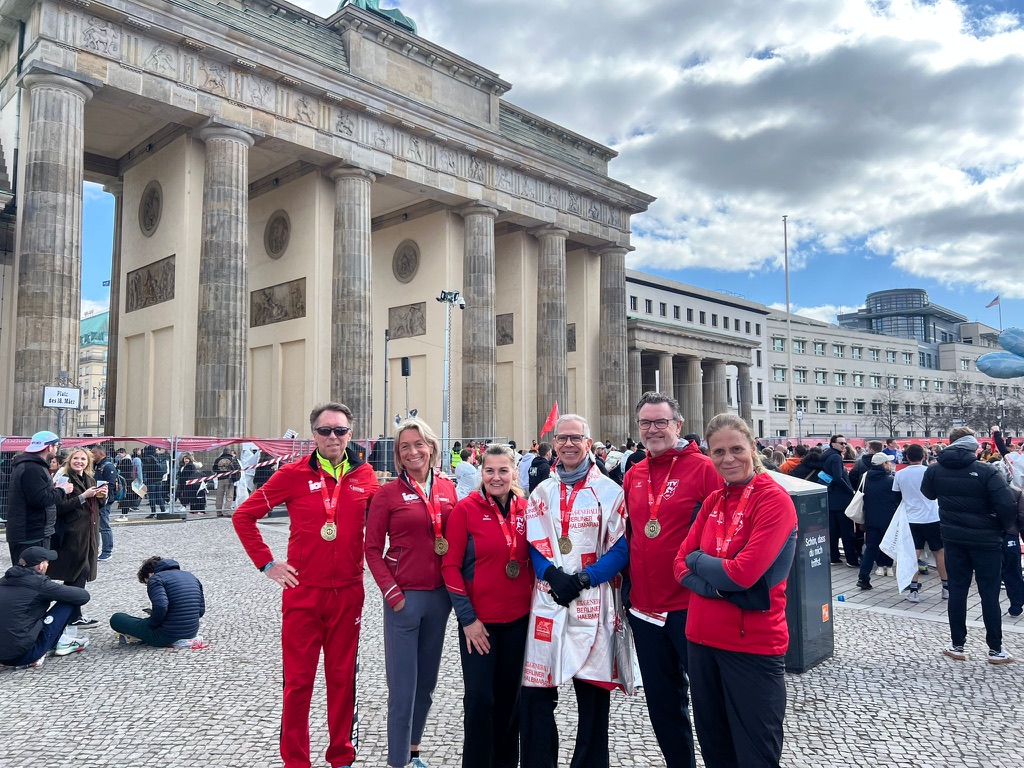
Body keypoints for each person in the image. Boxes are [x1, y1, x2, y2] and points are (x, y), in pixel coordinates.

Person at [234, 402, 380, 768]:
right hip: (303, 594)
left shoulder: (366, 477)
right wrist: (267, 563)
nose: (334, 437)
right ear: (313, 434)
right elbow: (244, 516)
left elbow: (391, 525)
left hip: (348, 593)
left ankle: (341, 757)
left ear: (351, 434)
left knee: (343, 681)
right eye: (325, 430)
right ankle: (295, 762)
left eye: (341, 430)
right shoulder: (293, 474)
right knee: (298, 684)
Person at [674, 414, 798, 768]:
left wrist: (702, 563)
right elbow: (679, 563)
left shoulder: (774, 500)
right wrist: (719, 585)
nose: (728, 459)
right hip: (701, 640)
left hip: (751, 645)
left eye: (736, 449)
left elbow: (743, 574)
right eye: (719, 452)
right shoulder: (714, 498)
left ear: (753, 447)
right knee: (716, 750)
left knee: (755, 753)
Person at [520, 413, 634, 768]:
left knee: (593, 702)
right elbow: (533, 542)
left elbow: (621, 547)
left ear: (589, 442)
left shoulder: (610, 491)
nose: (568, 444)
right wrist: (552, 575)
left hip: (593, 600)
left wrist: (586, 578)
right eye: (562, 438)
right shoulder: (542, 490)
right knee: (537, 696)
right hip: (550, 599)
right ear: (554, 444)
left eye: (575, 438)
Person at [623, 391, 724, 768]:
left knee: (708, 701)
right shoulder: (634, 473)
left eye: (660, 422)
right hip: (646, 611)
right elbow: (632, 534)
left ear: (677, 425)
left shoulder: (703, 469)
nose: (653, 429)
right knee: (663, 705)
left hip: (689, 605)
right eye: (646, 423)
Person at [366, 418, 457, 768]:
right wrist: (392, 593)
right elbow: (371, 548)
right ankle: (397, 762)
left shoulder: (448, 488)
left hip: (440, 599)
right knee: (403, 689)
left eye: (419, 444)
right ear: (398, 456)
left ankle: (414, 751)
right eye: (405, 447)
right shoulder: (387, 494)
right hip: (404, 598)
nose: (413, 451)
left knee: (427, 685)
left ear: (431, 447)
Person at [442, 444, 532, 768]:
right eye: (490, 470)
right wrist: (468, 619)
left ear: (513, 473)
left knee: (510, 703)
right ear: (481, 472)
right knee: (480, 701)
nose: (496, 477)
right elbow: (449, 567)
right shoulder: (465, 510)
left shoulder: (527, 508)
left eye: (503, 470)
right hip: (478, 626)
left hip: (519, 624)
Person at [921, 427, 1016, 664]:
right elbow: (1006, 505)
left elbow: (928, 494)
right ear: (972, 446)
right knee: (989, 593)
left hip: (953, 539)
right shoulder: (986, 471)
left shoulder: (934, 470)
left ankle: (957, 644)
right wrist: (1002, 528)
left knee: (958, 590)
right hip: (986, 540)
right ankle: (995, 649)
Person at [0, 546, 92, 666]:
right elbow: (83, 596)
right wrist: (55, 592)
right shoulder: (41, 585)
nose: (48, 565)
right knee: (68, 601)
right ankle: (54, 644)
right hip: (23, 655)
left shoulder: (3, 581)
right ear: (41, 566)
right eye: (47, 562)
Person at [50, 448, 106, 628]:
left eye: (83, 459)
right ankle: (71, 614)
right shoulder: (64, 478)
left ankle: (70, 614)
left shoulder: (90, 479)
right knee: (79, 571)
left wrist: (102, 497)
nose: (79, 461)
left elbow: (97, 505)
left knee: (77, 574)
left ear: (88, 462)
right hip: (72, 533)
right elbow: (58, 507)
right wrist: (83, 496)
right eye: (76, 458)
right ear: (69, 460)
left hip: (89, 533)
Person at [6, 431, 74, 565]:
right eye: (56, 446)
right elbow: (40, 499)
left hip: (28, 530)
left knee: (27, 578)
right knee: (30, 577)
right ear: (49, 447)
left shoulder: (28, 465)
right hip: (31, 532)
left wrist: (51, 489)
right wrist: (62, 490)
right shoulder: (33, 468)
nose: (57, 450)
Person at [110, 556, 205, 646]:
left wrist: (152, 624)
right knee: (141, 622)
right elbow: (200, 611)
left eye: (147, 583)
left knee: (117, 618)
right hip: (192, 631)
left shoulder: (156, 579)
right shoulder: (191, 576)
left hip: (167, 634)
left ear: (150, 575)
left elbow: (161, 606)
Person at [895, 443, 948, 603]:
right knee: (939, 552)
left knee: (913, 554)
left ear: (907, 457)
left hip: (911, 518)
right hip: (932, 517)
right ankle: (946, 588)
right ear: (924, 456)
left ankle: (913, 590)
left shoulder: (900, 474)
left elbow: (896, 497)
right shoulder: (930, 471)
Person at [855, 453, 899, 590]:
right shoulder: (890, 480)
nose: (890, 464)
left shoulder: (865, 477)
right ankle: (908, 580)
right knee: (896, 548)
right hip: (889, 520)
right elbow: (898, 499)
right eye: (888, 462)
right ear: (883, 464)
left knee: (870, 549)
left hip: (870, 519)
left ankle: (863, 577)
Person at [822, 434, 858, 568]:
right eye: (841, 443)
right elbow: (838, 477)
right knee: (847, 531)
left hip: (831, 499)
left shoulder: (826, 456)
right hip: (841, 500)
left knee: (833, 530)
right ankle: (851, 559)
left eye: (845, 443)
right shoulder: (836, 457)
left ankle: (834, 557)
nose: (844, 445)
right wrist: (850, 490)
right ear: (833, 444)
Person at [90, 443, 118, 561]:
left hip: (104, 500)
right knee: (98, 525)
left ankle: (107, 551)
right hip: (97, 499)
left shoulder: (108, 466)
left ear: (101, 453)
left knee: (104, 525)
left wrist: (100, 493)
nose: (91, 455)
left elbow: (111, 484)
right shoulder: (96, 465)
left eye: (94, 453)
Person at [213, 447, 242, 516]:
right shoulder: (232, 459)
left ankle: (218, 512)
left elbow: (214, 469)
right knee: (229, 496)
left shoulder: (218, 459)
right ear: (229, 452)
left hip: (220, 479)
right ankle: (226, 512)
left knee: (219, 496)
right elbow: (238, 469)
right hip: (229, 479)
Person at [142, 445, 167, 518]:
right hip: (159, 480)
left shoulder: (148, 458)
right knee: (159, 496)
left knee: (152, 496)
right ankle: (163, 510)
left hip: (151, 479)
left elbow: (144, 470)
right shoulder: (159, 457)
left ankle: (153, 512)